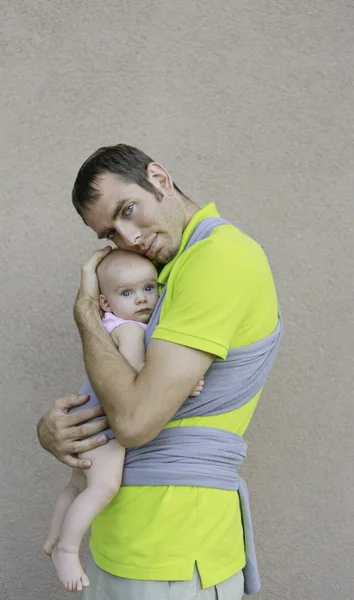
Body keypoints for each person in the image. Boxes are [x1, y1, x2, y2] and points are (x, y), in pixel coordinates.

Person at [37, 144, 282, 599]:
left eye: (128, 209)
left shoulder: (218, 259)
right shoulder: (166, 274)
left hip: (174, 543)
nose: (127, 237)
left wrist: (87, 313)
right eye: (110, 233)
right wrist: (59, 432)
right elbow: (115, 392)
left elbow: (131, 421)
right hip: (128, 540)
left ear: (160, 178)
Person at [44, 248, 206, 592]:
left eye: (149, 288)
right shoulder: (130, 330)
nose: (143, 299)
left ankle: (54, 536)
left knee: (76, 486)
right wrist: (184, 381)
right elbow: (139, 378)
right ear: (104, 302)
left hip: (87, 412)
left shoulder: (110, 325)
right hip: (104, 424)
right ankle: (67, 548)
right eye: (127, 293)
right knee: (103, 487)